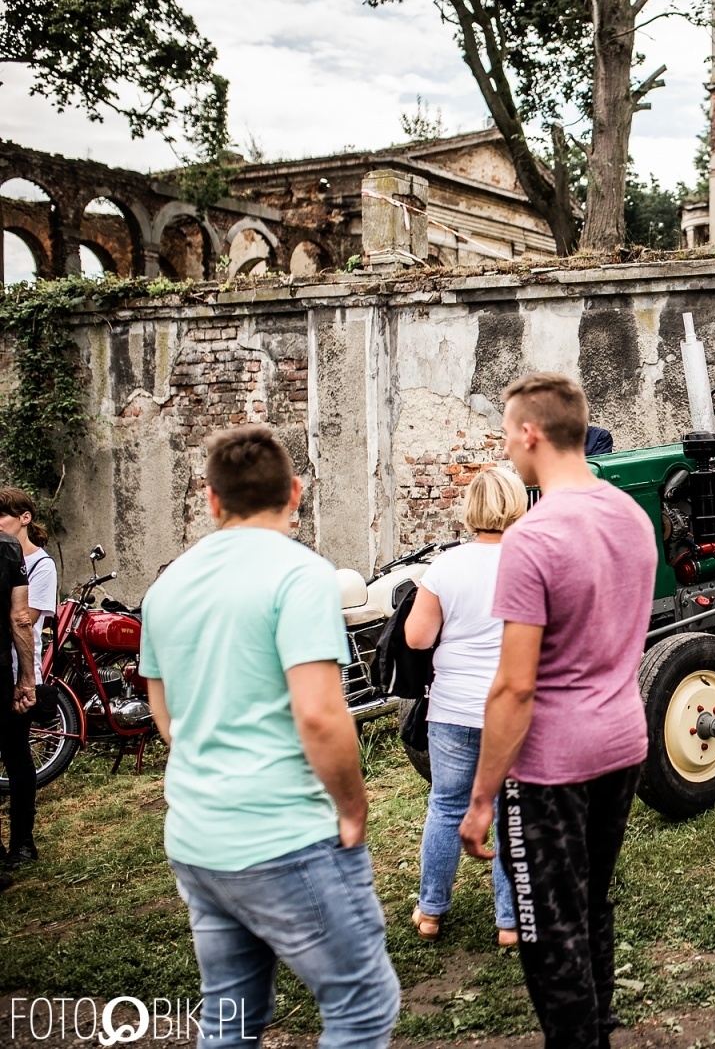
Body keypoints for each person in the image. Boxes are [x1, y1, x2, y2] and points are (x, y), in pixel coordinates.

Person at [141, 426, 400, 1047]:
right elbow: (319, 715)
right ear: (296, 492)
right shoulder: (299, 574)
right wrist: (354, 805)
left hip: (198, 838)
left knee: (230, 1013)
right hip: (283, 837)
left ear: (211, 499)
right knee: (362, 1002)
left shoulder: (166, 586)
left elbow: (165, 716)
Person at [459, 373, 656, 1048]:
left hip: (551, 767)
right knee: (592, 904)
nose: (507, 448)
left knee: (548, 929)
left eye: (508, 434)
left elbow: (514, 688)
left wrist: (483, 795)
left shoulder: (532, 538)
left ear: (529, 433)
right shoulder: (632, 515)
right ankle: (597, 1030)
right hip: (624, 741)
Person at [404, 468, 528, 948]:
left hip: (454, 710)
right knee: (509, 811)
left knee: (446, 804)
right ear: (518, 505)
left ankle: (431, 910)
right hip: (513, 710)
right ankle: (510, 922)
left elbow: (417, 638)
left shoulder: (446, 567)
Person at [0, 488, 55, 870]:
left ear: (24, 518)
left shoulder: (40, 565)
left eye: (3, 515)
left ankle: (23, 842)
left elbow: (28, 618)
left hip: (19, 664)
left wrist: (27, 678)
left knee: (17, 756)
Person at [0, 524, 36, 882]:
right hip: (1, 670)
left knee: (16, 753)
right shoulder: (7, 547)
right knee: (16, 753)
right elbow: (19, 619)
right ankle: (22, 844)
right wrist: (26, 678)